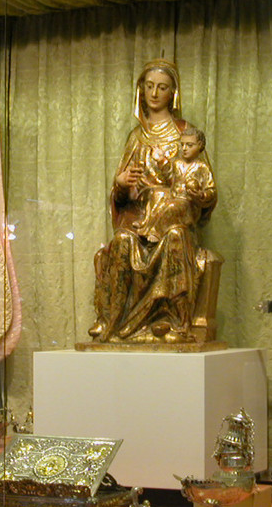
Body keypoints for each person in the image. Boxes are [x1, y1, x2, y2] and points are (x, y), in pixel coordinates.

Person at [89, 60, 221, 343]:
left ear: (173, 93)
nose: (154, 93)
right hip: (139, 219)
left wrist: (192, 195)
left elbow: (205, 185)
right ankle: (114, 321)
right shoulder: (136, 137)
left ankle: (174, 321)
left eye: (162, 87)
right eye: (149, 86)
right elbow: (121, 196)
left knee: (174, 237)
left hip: (173, 219)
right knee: (122, 241)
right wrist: (121, 183)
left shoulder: (186, 134)